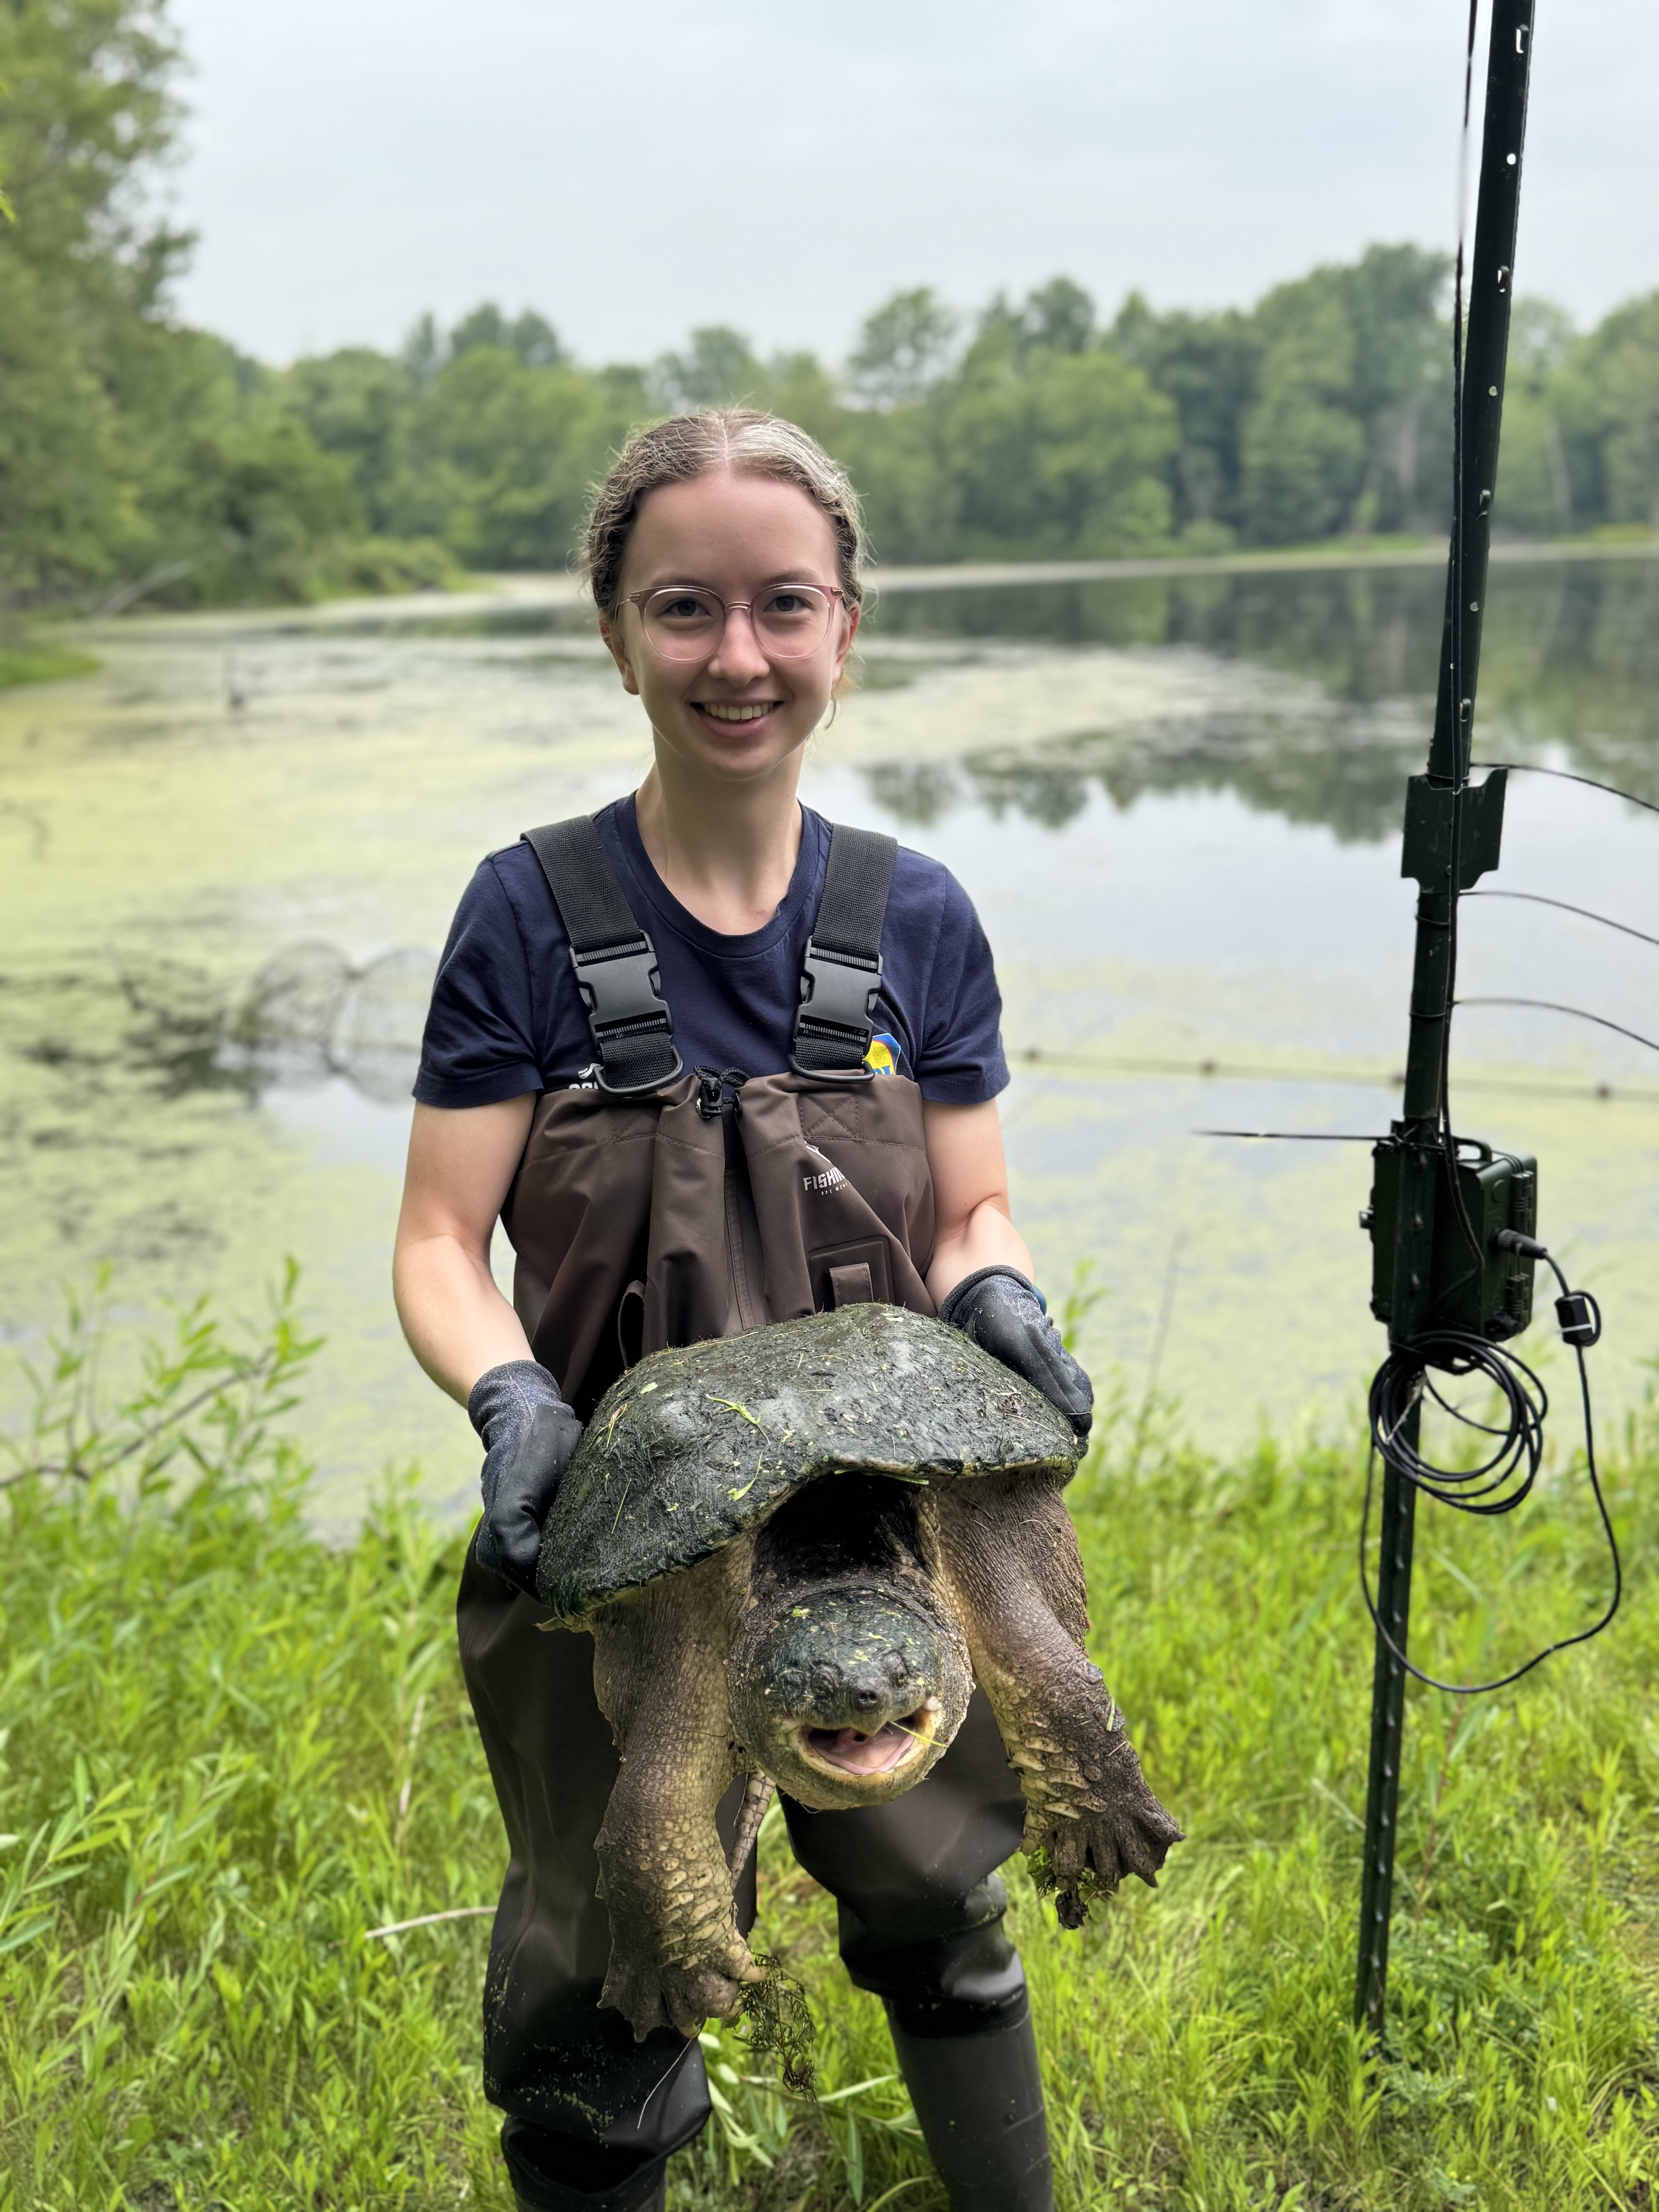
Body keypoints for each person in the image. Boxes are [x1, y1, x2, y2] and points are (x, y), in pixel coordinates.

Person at [393, 409, 1094, 2212]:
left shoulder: (913, 917)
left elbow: (970, 1198)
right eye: (684, 608)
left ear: (847, 625)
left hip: (880, 1514)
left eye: (784, 606)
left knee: (936, 1875)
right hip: (622, 1530)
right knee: (606, 1948)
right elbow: (434, 1242)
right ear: (615, 630)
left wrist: (998, 1286)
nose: (738, 656)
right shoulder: (527, 915)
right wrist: (512, 1400)